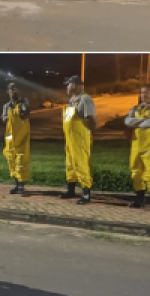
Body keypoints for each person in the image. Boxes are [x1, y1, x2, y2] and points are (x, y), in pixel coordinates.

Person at [123, 84, 150, 211]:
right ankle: (139, 200)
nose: (144, 95)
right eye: (142, 93)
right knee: (136, 172)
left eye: (147, 93)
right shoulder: (135, 108)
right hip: (136, 146)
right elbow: (126, 121)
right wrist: (142, 120)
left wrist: (136, 122)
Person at [61, 76, 94, 204]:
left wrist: (89, 135)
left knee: (82, 164)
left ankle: (86, 194)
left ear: (74, 85)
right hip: (70, 139)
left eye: (67, 85)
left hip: (80, 139)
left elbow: (91, 119)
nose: (66, 87)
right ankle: (71, 190)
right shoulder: (72, 100)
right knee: (70, 165)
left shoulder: (85, 99)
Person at [2, 82, 31, 195]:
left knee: (21, 160)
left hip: (22, 136)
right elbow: (3, 119)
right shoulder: (6, 106)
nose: (14, 91)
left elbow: (25, 115)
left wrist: (18, 109)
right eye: (11, 89)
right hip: (10, 137)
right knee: (12, 160)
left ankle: (21, 185)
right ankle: (16, 184)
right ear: (7, 92)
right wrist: (9, 114)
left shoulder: (23, 102)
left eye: (16, 89)